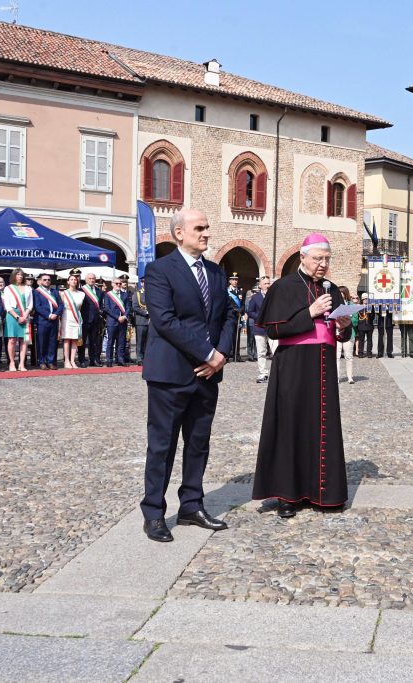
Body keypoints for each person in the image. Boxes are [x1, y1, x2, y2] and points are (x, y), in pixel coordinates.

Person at [140, 208, 236, 542]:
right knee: (162, 446)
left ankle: (192, 505)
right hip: (170, 373)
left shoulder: (216, 272)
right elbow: (165, 320)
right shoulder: (160, 270)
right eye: (200, 228)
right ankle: (154, 512)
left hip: (208, 375)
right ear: (179, 233)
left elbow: (229, 314)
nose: (206, 233)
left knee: (198, 443)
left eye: (207, 227)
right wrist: (208, 353)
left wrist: (221, 355)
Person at [253, 233, 353, 518]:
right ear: (303, 257)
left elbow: (342, 334)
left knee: (323, 426)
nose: (323, 264)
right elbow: (273, 330)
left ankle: (324, 493)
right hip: (293, 366)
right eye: (318, 259)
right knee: (291, 426)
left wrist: (344, 326)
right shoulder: (283, 287)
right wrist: (309, 312)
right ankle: (288, 495)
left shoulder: (331, 289)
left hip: (324, 366)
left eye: (327, 259)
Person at [2, 268, 32, 372]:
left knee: (24, 340)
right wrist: (18, 317)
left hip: (25, 315)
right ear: (14, 276)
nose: (20, 276)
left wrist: (25, 315)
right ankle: (12, 362)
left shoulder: (28, 288)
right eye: (18, 274)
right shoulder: (8, 288)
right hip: (12, 316)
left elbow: (30, 304)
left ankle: (22, 364)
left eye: (21, 275)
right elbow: (7, 306)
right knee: (12, 340)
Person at [246, 276, 276, 383]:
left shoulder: (274, 296)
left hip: (272, 328)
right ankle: (263, 373)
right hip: (259, 328)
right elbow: (250, 312)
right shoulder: (255, 297)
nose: (267, 286)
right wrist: (260, 317)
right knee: (261, 352)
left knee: (276, 351)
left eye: (268, 283)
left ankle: (277, 373)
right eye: (265, 284)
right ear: (260, 285)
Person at [32, 272, 63, 370]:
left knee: (52, 342)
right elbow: (37, 307)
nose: (47, 281)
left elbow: (61, 305)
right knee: (42, 342)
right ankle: (42, 361)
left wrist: (56, 314)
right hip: (42, 320)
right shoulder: (36, 292)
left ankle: (51, 361)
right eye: (44, 280)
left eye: (49, 280)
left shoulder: (55, 292)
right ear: (40, 281)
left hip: (54, 320)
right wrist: (49, 315)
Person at [102, 277, 131, 367]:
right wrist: (117, 317)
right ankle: (109, 360)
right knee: (110, 341)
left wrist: (124, 316)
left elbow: (128, 307)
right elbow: (107, 308)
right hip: (112, 321)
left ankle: (120, 359)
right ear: (112, 284)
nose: (118, 285)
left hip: (123, 321)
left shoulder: (125, 294)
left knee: (121, 341)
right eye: (117, 283)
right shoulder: (108, 295)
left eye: (120, 283)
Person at [59, 271, 85, 369]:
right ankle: (66, 360)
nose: (74, 281)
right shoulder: (63, 293)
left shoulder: (81, 294)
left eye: (75, 279)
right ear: (68, 281)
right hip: (67, 316)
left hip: (77, 317)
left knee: (75, 339)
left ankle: (73, 360)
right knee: (67, 339)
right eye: (72, 279)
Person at [79, 272, 103, 368]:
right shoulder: (81, 290)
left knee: (94, 342)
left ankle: (93, 359)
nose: (92, 280)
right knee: (82, 342)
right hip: (84, 319)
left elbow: (101, 305)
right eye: (89, 278)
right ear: (86, 280)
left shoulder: (99, 291)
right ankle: (82, 360)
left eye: (93, 278)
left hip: (96, 320)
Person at [337, 286, 357, 383]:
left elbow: (355, 321)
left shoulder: (351, 305)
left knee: (348, 356)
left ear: (346, 295)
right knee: (336, 356)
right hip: (336, 333)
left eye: (342, 294)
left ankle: (350, 377)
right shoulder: (334, 305)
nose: (341, 296)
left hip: (349, 333)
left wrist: (348, 319)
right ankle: (337, 377)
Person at [226, 273, 244, 362]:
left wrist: (242, 310)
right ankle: (227, 355)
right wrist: (234, 309)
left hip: (238, 316)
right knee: (229, 335)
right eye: (233, 280)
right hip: (230, 316)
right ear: (230, 281)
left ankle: (236, 355)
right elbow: (226, 303)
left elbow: (243, 303)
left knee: (237, 336)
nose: (235, 281)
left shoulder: (240, 291)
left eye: (236, 280)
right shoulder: (227, 291)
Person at [133, 277, 150, 365]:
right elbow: (135, 307)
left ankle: (147, 358)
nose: (145, 284)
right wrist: (146, 312)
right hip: (141, 320)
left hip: (151, 321)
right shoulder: (137, 294)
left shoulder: (152, 293)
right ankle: (139, 358)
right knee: (140, 341)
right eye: (144, 282)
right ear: (141, 283)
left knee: (148, 341)